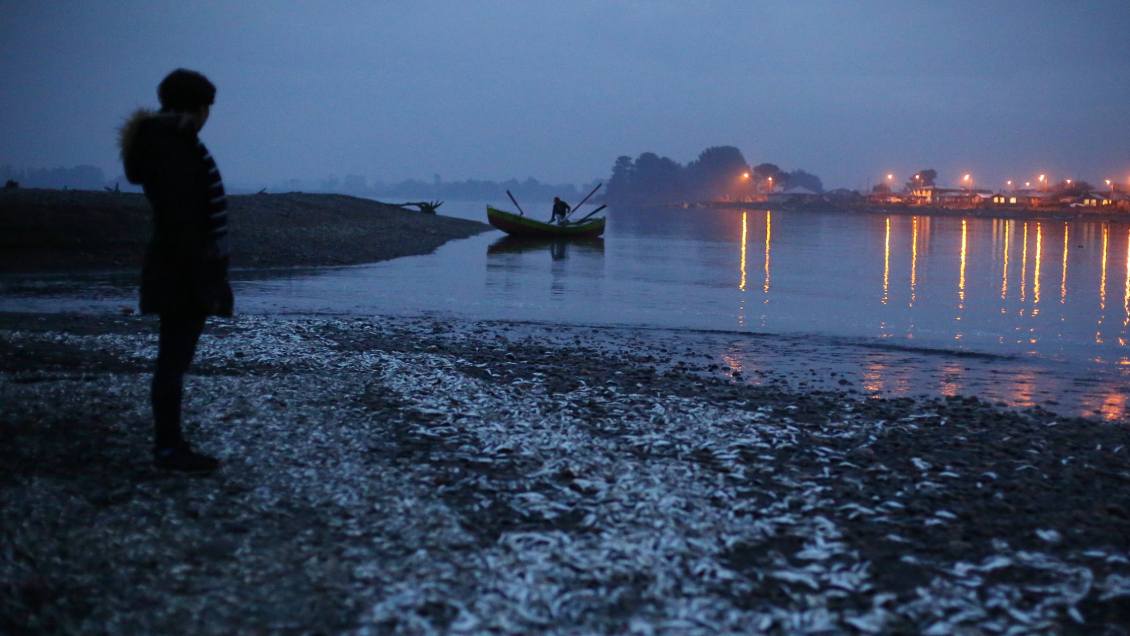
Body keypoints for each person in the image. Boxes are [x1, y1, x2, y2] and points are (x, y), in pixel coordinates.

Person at [119, 69, 232, 474]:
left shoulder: (167, 143)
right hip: (180, 271)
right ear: (199, 108)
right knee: (172, 363)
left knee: (172, 361)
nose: (208, 117)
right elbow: (183, 225)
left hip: (176, 267)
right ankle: (168, 448)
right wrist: (206, 285)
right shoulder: (175, 149)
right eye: (208, 108)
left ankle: (171, 443)